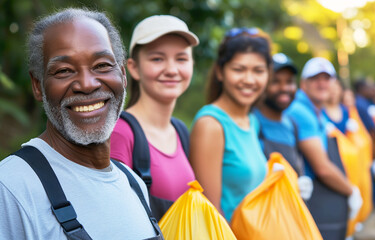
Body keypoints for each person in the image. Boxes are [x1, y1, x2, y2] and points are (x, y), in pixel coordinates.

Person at [0, 8, 161, 239]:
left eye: (102, 65)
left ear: (123, 75)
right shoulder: (11, 188)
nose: (87, 84)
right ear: (38, 86)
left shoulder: (133, 182)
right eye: (64, 70)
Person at [110, 15, 198, 220]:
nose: (171, 70)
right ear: (133, 67)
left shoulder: (180, 131)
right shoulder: (121, 133)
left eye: (181, 58)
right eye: (157, 59)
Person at [189, 27, 271, 222]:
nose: (249, 80)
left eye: (258, 71)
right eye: (238, 69)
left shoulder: (252, 121)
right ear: (220, 72)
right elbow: (211, 214)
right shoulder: (211, 125)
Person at [286, 57, 361, 240]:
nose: (322, 84)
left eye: (326, 79)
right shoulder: (300, 111)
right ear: (303, 84)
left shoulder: (316, 111)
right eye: (315, 79)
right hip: (310, 202)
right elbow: (322, 168)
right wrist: (351, 191)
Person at [252, 52, 313, 200]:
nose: (284, 88)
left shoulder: (291, 124)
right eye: (275, 82)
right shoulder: (252, 123)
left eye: (289, 82)